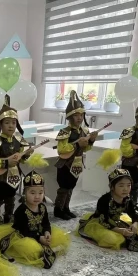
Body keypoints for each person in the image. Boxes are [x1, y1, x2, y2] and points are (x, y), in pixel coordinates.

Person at [0, 171, 70, 269]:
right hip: (24, 236)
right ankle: (38, 248)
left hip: (39, 232)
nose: (37, 196)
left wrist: (47, 232)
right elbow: (24, 230)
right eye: (32, 193)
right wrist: (39, 238)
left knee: (59, 238)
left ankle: (43, 245)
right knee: (31, 250)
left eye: (40, 192)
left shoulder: (42, 207)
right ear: (24, 193)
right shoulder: (21, 210)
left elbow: (46, 222)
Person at [77, 149, 138, 251]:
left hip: (117, 221)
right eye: (121, 185)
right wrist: (121, 231)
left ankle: (123, 236)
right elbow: (104, 220)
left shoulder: (127, 199)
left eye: (128, 185)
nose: (125, 189)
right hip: (101, 223)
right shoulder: (104, 200)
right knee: (111, 239)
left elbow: (134, 214)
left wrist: (135, 224)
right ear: (112, 187)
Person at [0, 98, 32, 225]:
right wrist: (6, 163)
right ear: (0, 124)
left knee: (11, 199)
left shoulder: (19, 140)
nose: (11, 125)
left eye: (14, 122)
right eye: (7, 122)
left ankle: (9, 216)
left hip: (14, 177)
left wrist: (25, 155)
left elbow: (20, 160)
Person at [54, 90, 96, 220]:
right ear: (70, 117)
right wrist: (77, 144)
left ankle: (66, 208)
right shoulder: (64, 132)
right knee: (64, 187)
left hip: (77, 163)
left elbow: (86, 148)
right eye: (76, 115)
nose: (79, 118)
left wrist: (91, 141)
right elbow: (61, 150)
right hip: (65, 164)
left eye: (81, 115)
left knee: (71, 187)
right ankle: (58, 210)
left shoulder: (84, 131)